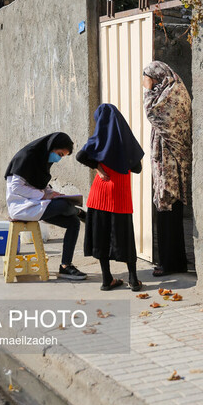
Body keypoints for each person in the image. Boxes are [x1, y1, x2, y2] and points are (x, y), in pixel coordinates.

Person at [76, 104, 145, 291]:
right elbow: (138, 168)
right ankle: (133, 280)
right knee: (125, 239)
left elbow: (80, 156)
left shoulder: (96, 141)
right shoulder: (126, 141)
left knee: (101, 238)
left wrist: (99, 168)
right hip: (120, 199)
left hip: (99, 196)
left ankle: (107, 280)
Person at [5, 132, 87, 280]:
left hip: (38, 206)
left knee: (73, 223)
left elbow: (40, 185)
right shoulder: (27, 156)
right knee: (63, 206)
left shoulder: (42, 160)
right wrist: (44, 196)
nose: (59, 158)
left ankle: (65, 266)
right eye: (60, 154)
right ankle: (78, 212)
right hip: (22, 206)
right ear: (51, 147)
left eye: (62, 156)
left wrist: (52, 193)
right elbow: (16, 187)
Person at [142, 61, 192, 277]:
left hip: (169, 165)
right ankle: (176, 261)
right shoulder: (176, 90)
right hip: (174, 161)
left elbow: (152, 112)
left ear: (156, 75)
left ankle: (169, 263)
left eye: (147, 77)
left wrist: (147, 91)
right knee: (172, 211)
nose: (146, 82)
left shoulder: (168, 95)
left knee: (166, 211)